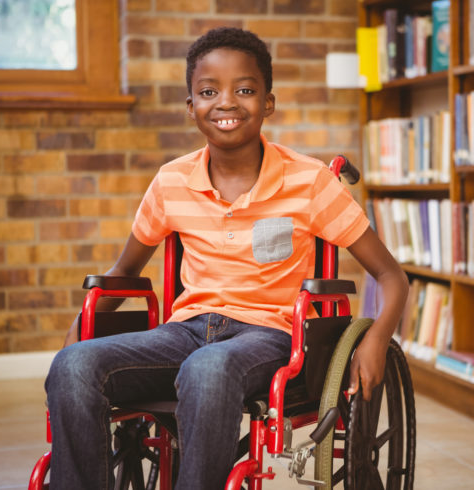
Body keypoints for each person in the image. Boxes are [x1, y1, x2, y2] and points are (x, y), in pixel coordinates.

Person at [45, 27, 408, 490]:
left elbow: (391, 275)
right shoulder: (171, 181)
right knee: (74, 366)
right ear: (191, 106)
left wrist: (376, 339)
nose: (226, 103)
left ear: (268, 103)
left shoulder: (311, 182)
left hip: (271, 337)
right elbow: (125, 272)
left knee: (209, 368)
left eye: (245, 90)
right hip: (186, 330)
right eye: (209, 91)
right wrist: (79, 333)